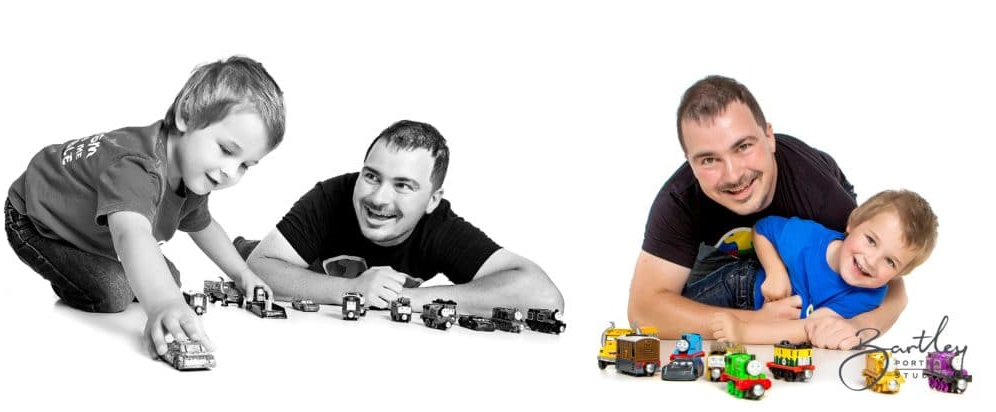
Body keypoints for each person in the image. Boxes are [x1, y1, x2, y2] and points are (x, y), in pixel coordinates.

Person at [5, 56, 285, 358]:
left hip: (92, 226)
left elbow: (204, 226)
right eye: (227, 150)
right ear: (186, 116)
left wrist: (243, 274)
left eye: (245, 165)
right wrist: (163, 303)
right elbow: (131, 235)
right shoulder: (137, 167)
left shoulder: (193, 175)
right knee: (116, 292)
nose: (230, 171)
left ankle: (108, 263)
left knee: (170, 281)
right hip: (36, 220)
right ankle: (74, 273)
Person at [627, 75, 908, 349]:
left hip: (801, 252)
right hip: (733, 271)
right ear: (689, 162)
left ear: (769, 137)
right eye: (709, 159)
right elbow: (644, 311)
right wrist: (757, 323)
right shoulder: (680, 198)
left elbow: (893, 291)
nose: (734, 174)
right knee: (695, 293)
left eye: (744, 146)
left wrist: (855, 328)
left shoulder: (821, 198)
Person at [241, 120, 564, 316]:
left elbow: (544, 297)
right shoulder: (332, 196)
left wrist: (402, 298)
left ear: (432, 200)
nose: (379, 198)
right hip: (264, 258)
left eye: (403, 186)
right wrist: (353, 290)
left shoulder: (440, 228)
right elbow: (258, 267)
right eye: (371, 176)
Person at [710, 190, 938, 344]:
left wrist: (746, 333)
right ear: (853, 223)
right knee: (690, 309)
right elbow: (763, 229)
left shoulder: (868, 296)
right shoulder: (806, 238)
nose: (871, 260)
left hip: (763, 319)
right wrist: (776, 272)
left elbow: (809, 326)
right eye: (871, 240)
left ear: (899, 274)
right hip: (740, 284)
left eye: (890, 261)